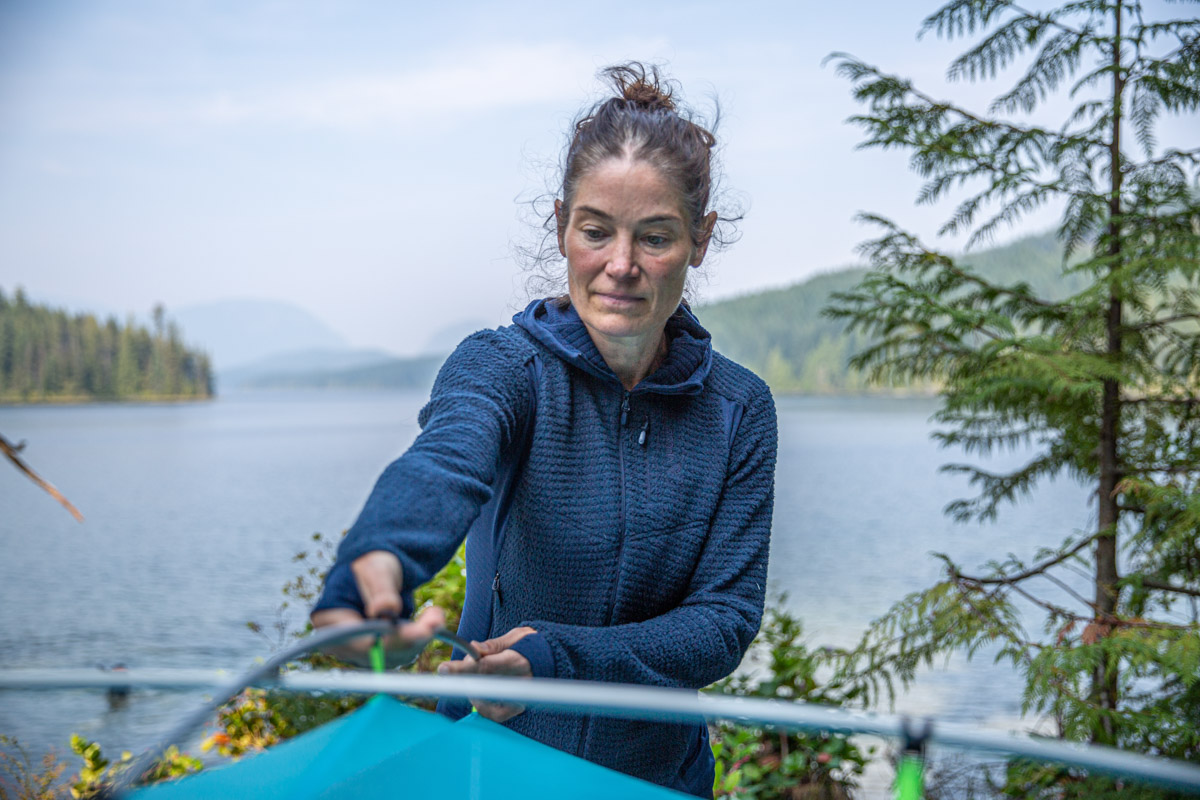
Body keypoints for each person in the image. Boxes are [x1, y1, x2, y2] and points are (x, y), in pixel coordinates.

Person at [311, 62, 777, 798]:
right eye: (596, 231)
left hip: (661, 781)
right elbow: (447, 459)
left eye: (654, 237)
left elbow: (722, 622)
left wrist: (554, 658)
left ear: (701, 237)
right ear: (562, 225)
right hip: (491, 770)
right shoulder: (503, 367)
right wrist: (378, 557)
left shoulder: (739, 409)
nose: (620, 266)